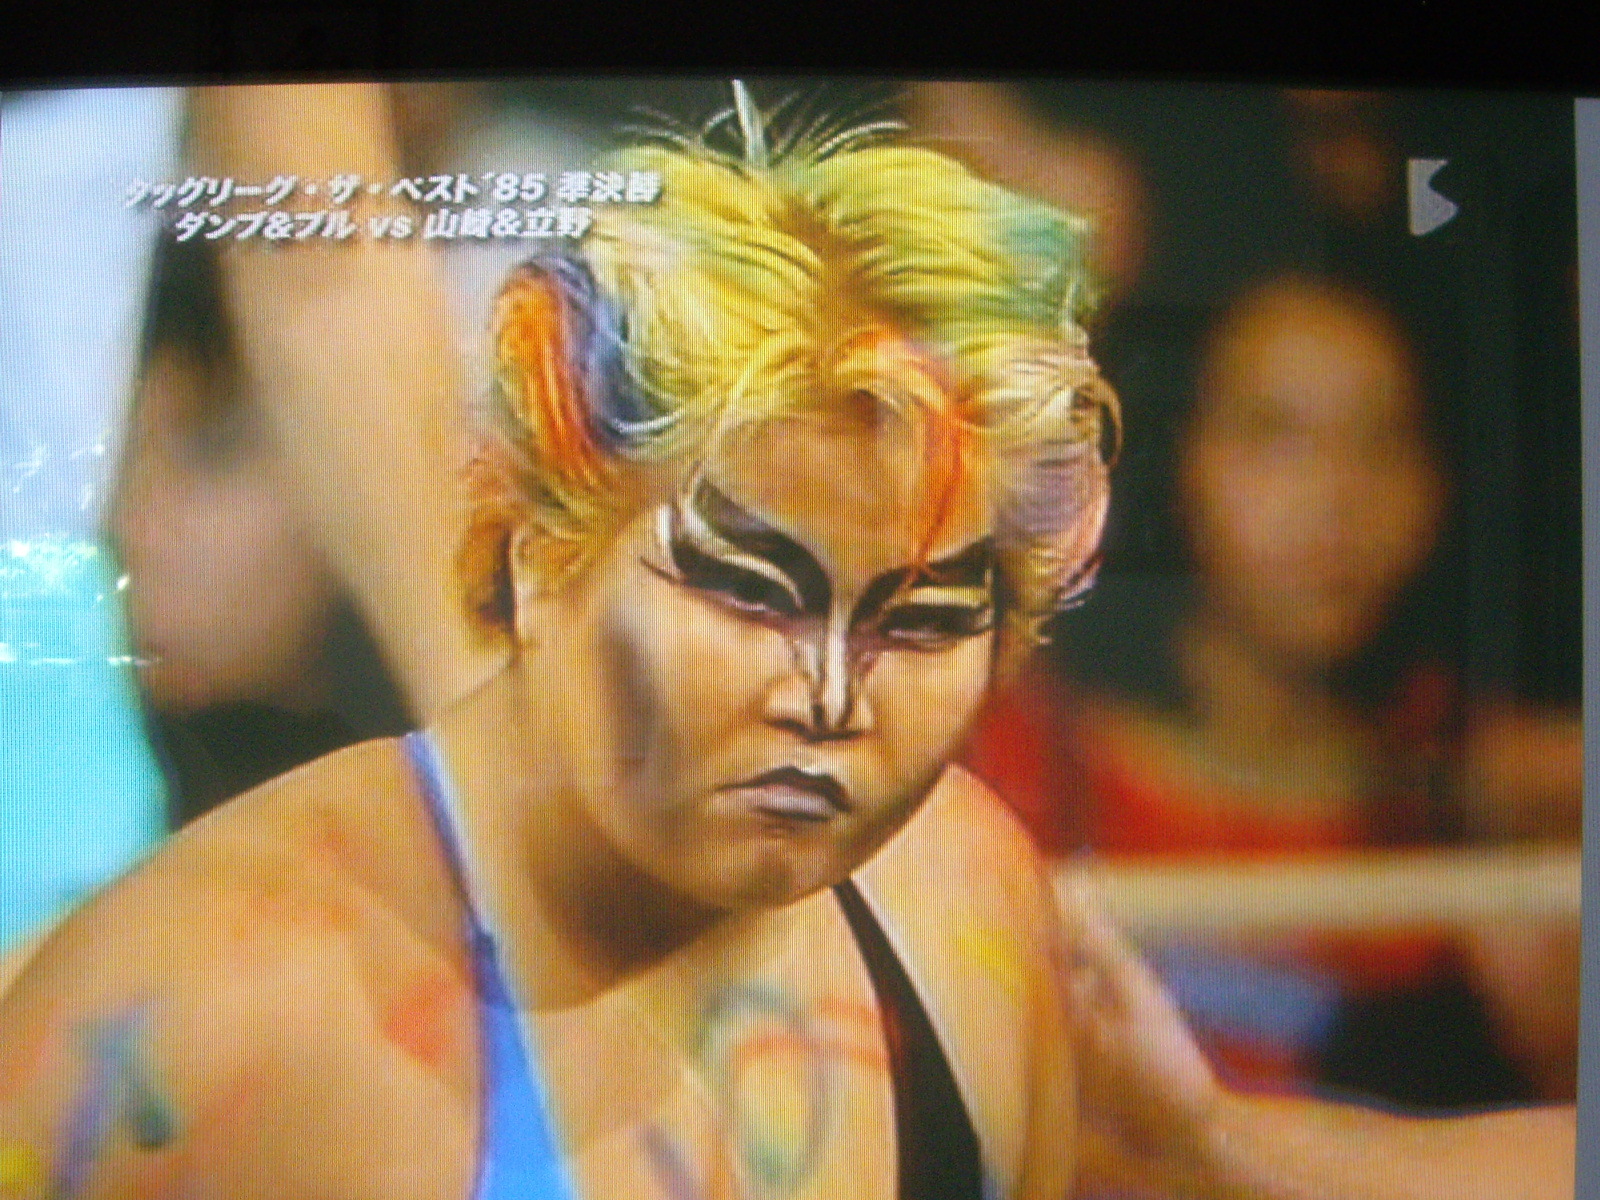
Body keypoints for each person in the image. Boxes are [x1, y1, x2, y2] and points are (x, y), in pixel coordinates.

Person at [0, 86, 1579, 1200]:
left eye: (925, 619)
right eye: (749, 587)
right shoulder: (175, 1023)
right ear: (536, 551)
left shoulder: (968, 905)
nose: (829, 697)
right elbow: (322, 262)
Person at [964, 273, 1582, 1108]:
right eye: (1273, 435)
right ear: (1170, 461)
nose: (1338, 496)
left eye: (1384, 441)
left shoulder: (1492, 790)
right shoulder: (1010, 756)